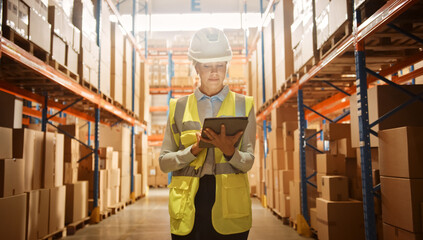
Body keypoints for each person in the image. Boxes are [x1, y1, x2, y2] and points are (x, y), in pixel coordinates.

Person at [159, 27, 256, 240]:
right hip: (188, 207)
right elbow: (164, 162)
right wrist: (192, 151)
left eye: (220, 65)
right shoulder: (179, 107)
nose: (214, 72)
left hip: (230, 207)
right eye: (207, 65)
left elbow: (248, 161)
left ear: (227, 66)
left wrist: (231, 152)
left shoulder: (244, 105)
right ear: (196, 67)